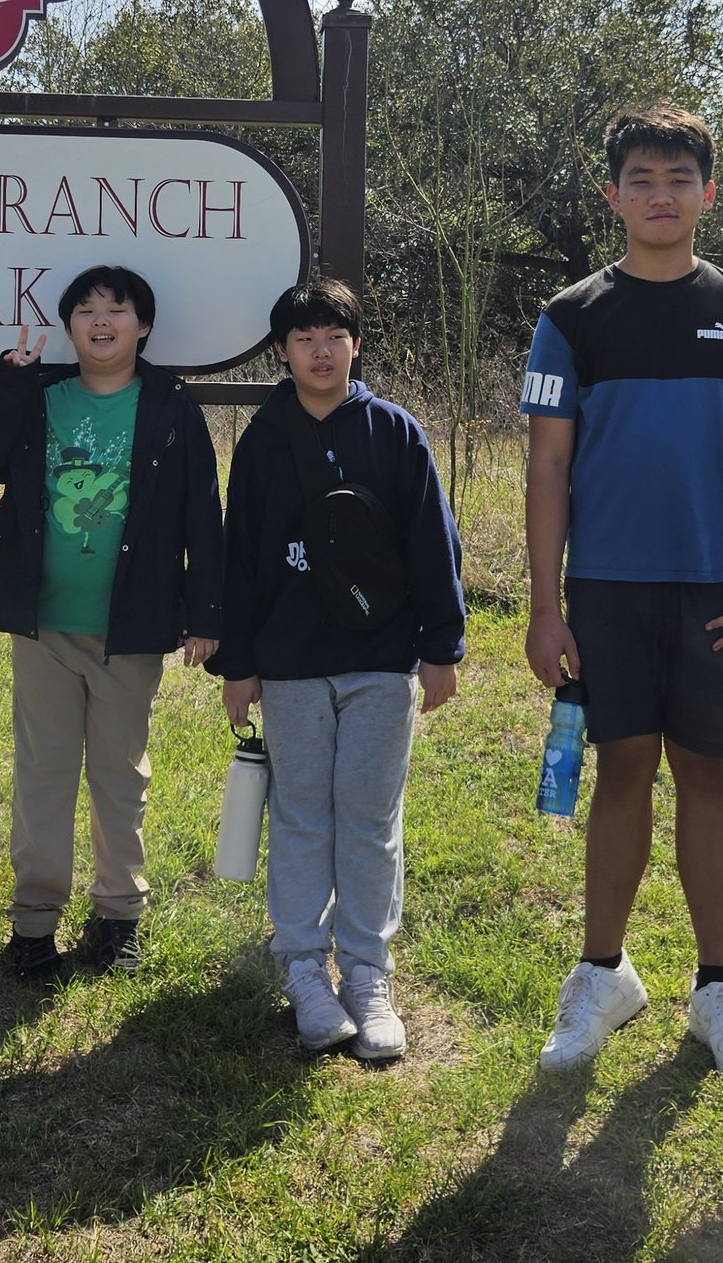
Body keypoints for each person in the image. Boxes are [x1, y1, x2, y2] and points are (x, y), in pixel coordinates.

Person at [519, 104, 723, 1093]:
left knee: (707, 776)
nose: (659, 195)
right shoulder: (570, 317)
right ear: (612, 194)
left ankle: (716, 990)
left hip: (714, 588)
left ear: (707, 194)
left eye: (678, 179)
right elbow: (546, 468)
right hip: (605, 587)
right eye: (640, 178)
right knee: (621, 769)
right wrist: (544, 604)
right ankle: (603, 974)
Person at [220, 276, 466, 1060]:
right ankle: (303, 966)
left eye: (334, 335)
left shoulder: (394, 431)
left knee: (368, 815)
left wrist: (442, 647)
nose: (320, 351)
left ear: (356, 342)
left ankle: (366, 971)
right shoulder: (262, 438)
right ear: (282, 351)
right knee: (299, 814)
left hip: (380, 659)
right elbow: (241, 557)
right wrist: (239, 660)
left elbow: (434, 542)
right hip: (290, 663)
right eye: (303, 338)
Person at [0, 265, 222, 983]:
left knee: (119, 772)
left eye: (117, 308)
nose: (101, 320)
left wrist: (205, 612)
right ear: (68, 325)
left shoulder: (170, 405)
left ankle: (118, 916)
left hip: (131, 624)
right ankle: (34, 922)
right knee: (43, 770)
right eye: (85, 309)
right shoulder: (43, 395)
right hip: (42, 620)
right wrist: (10, 382)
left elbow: (205, 509)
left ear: (143, 325)